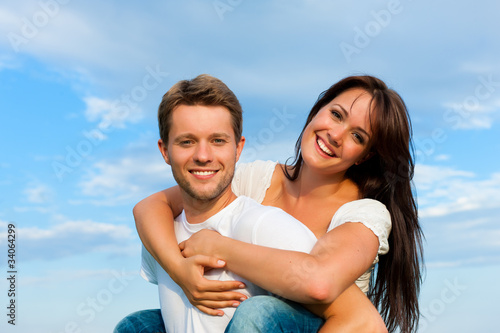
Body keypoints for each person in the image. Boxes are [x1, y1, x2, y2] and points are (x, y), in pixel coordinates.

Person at [133, 75, 423, 332]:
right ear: (316, 112)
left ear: (363, 156)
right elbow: (151, 205)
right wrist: (178, 270)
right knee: (141, 325)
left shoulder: (363, 213)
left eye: (357, 136)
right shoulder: (255, 179)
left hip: (330, 325)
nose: (336, 135)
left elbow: (318, 284)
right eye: (336, 115)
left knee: (258, 313)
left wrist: (217, 246)